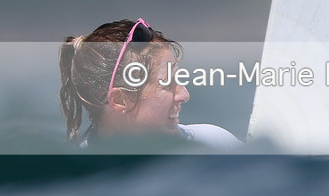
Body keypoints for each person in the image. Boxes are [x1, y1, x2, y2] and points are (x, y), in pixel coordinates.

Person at [57, 19, 239, 148]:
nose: (184, 95)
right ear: (119, 99)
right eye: (167, 83)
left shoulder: (216, 145)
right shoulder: (75, 178)